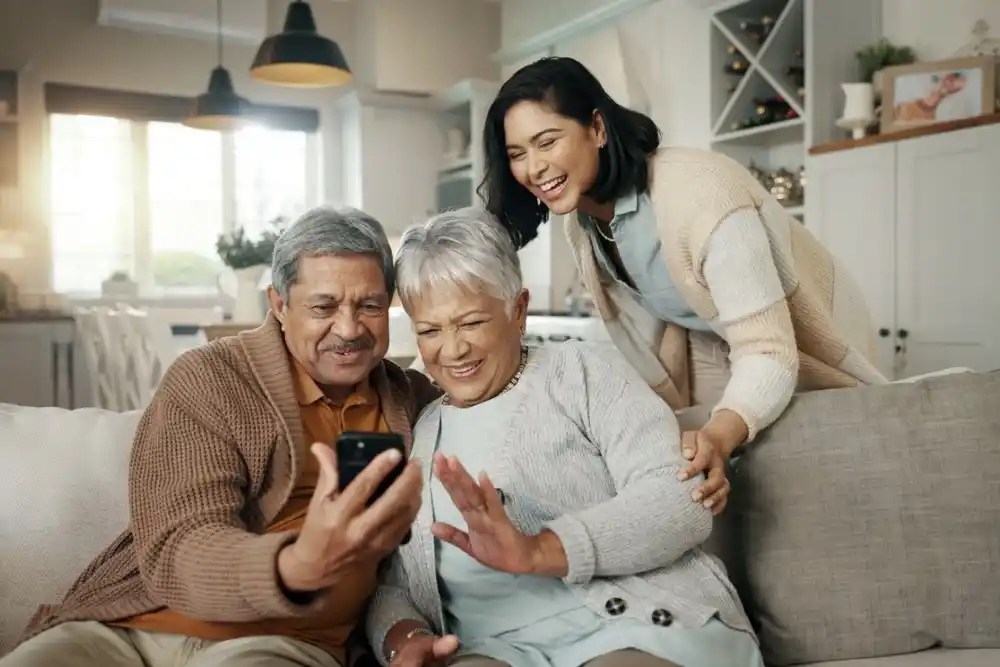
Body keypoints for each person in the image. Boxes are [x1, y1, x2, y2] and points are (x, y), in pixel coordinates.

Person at [2, 207, 439, 667]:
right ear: (279, 305)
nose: (349, 329)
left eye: (369, 305)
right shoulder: (211, 379)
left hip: (279, 645)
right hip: (130, 630)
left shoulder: (412, 402)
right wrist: (296, 566)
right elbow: (181, 542)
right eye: (323, 307)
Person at [479, 56, 887, 514]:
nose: (533, 167)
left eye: (547, 142)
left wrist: (719, 433)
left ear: (597, 128)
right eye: (517, 154)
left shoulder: (704, 194)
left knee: (827, 495)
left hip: (809, 350)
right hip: (724, 350)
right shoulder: (583, 223)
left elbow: (770, 351)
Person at [366, 208, 764, 667]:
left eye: (471, 322)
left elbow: (679, 500)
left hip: (632, 629)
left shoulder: (584, 371)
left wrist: (541, 550)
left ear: (518, 311)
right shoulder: (418, 426)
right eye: (429, 331)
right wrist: (404, 636)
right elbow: (390, 583)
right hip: (493, 652)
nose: (452, 350)